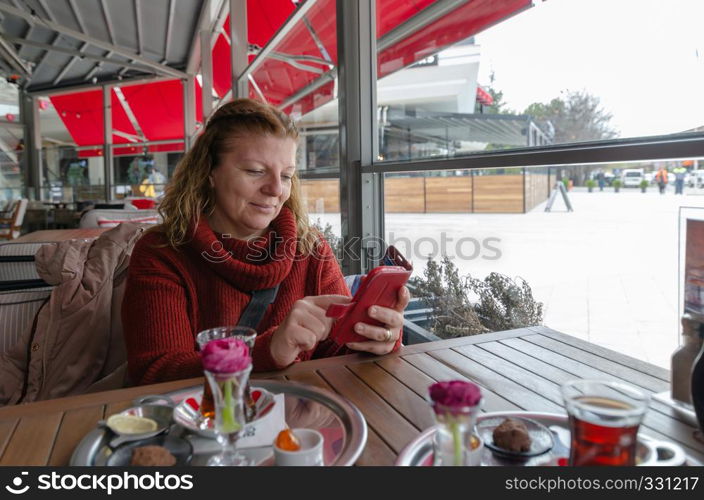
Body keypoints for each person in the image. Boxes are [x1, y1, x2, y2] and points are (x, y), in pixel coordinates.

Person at [121, 98, 409, 385]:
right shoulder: (162, 252)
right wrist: (266, 350)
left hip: (297, 424)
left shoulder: (310, 247)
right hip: (212, 423)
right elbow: (155, 372)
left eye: (286, 176)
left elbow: (333, 351)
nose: (275, 189)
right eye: (255, 171)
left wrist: (376, 338)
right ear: (210, 171)